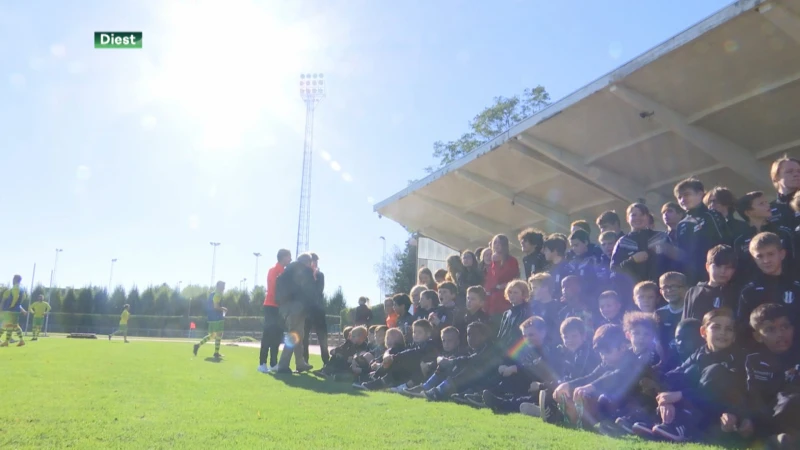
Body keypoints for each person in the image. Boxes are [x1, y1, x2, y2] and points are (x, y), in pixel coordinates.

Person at [650, 308, 749, 443]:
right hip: (697, 403)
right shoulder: (700, 352)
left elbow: (736, 394)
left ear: (734, 336)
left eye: (729, 329)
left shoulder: (739, 358)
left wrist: (680, 395)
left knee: (715, 371)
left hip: (721, 411)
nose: (722, 333)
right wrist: (665, 399)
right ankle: (661, 418)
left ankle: (684, 424)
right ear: (703, 332)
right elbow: (674, 375)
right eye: (716, 327)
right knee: (684, 373)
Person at [745, 303, 800, 447]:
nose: (780, 334)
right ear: (758, 336)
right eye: (771, 329)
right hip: (767, 418)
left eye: (785, 327)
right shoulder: (752, 361)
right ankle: (773, 439)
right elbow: (752, 395)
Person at [737, 232, 800, 347]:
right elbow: (744, 328)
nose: (766, 260)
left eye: (770, 254)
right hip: (762, 354)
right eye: (760, 256)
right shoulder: (749, 292)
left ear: (782, 254)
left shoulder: (795, 287)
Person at [674, 178, 730, 285]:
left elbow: (724, 243)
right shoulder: (681, 225)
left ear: (700, 194)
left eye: (686, 194)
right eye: (679, 197)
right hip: (695, 279)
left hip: (718, 274)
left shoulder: (712, 215)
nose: (682, 199)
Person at [274, 253, 317, 374]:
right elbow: (309, 292)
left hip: (286, 307)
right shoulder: (306, 271)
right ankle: (283, 364)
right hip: (299, 308)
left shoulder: (288, 271)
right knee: (294, 335)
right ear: (308, 262)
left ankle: (300, 362)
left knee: (299, 334)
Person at [735, 191, 796, 276]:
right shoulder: (740, 240)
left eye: (766, 202)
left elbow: (794, 260)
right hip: (755, 285)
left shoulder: (784, 232)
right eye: (761, 204)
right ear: (748, 212)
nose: (768, 205)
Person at [683, 245, 739, 321]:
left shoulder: (737, 293)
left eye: (728, 267)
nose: (723, 271)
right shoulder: (693, 292)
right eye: (718, 266)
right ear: (707, 267)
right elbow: (686, 322)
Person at [258, 248, 291, 374]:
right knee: (268, 335)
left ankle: (273, 363)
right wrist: (279, 301)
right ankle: (262, 363)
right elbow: (272, 289)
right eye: (289, 257)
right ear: (283, 257)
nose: (290, 259)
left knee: (277, 336)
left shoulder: (285, 271)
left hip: (280, 308)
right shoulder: (273, 270)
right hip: (271, 306)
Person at [483, 234, 520, 317]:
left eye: (499, 243)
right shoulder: (490, 260)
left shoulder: (511, 261)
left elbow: (515, 279)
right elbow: (489, 281)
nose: (496, 245)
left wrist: (505, 285)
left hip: (505, 299)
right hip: (492, 300)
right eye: (495, 242)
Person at [303, 253, 330, 367]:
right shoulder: (303, 276)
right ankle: (304, 361)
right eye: (313, 261)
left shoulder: (321, 275)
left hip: (318, 310)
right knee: (304, 337)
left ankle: (326, 362)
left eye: (316, 262)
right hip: (307, 311)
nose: (315, 264)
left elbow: (319, 291)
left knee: (322, 337)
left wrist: (314, 277)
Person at [193, 282, 227, 358]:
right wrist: (223, 309)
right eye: (222, 286)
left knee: (212, 335)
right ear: (218, 286)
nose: (224, 288)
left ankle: (198, 345)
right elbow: (216, 306)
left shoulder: (212, 293)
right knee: (219, 334)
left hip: (211, 317)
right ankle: (216, 353)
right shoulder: (218, 294)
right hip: (217, 317)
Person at [656, 272, 688, 351]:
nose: (669, 290)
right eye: (665, 287)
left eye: (674, 287)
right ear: (660, 291)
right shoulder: (659, 314)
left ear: (686, 289)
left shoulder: (691, 311)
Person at [768, 156, 800, 231]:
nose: (796, 174)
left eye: (799, 171)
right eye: (789, 171)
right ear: (776, 177)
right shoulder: (768, 209)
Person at [1, 274, 27, 347]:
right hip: (16, 310)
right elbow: (22, 299)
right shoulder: (22, 289)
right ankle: (21, 341)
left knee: (8, 325)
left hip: (11, 310)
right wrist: (20, 308)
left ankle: (6, 342)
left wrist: (10, 306)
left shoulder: (15, 288)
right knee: (15, 326)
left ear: (15, 279)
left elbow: (15, 297)